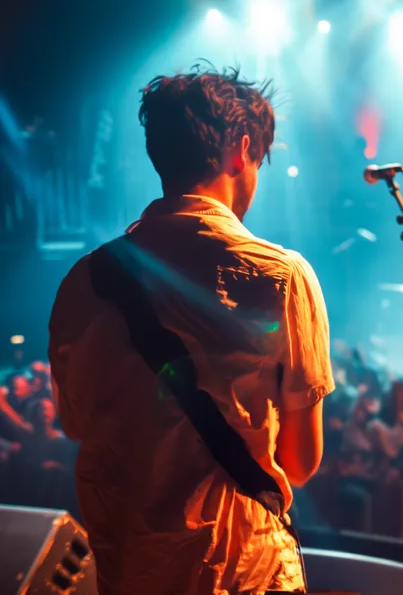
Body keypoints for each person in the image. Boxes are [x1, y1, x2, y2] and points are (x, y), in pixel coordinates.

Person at [48, 66, 334, 595]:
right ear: (240, 150)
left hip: (128, 569)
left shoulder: (83, 281)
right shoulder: (280, 275)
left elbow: (75, 423)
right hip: (241, 571)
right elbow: (299, 462)